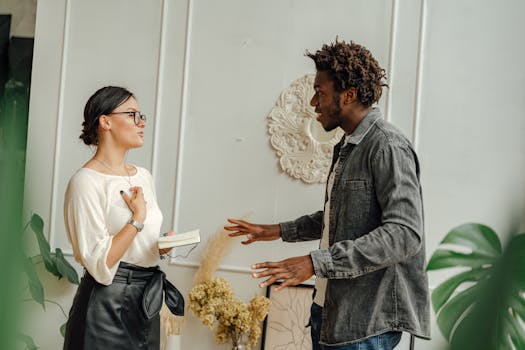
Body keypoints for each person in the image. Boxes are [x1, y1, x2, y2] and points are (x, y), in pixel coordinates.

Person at [225, 40, 430, 350]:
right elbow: (343, 215)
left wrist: (315, 262)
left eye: (320, 93)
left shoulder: (387, 146)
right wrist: (277, 231)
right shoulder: (348, 147)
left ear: (347, 95)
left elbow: (404, 234)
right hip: (330, 312)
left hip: (365, 324)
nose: (312, 102)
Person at [63, 86, 183, 350]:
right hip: (105, 306)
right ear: (105, 121)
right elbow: (100, 263)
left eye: (142, 115)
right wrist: (137, 220)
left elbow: (135, 247)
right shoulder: (85, 182)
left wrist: (160, 246)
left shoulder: (143, 176)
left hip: (145, 302)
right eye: (132, 115)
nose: (142, 123)